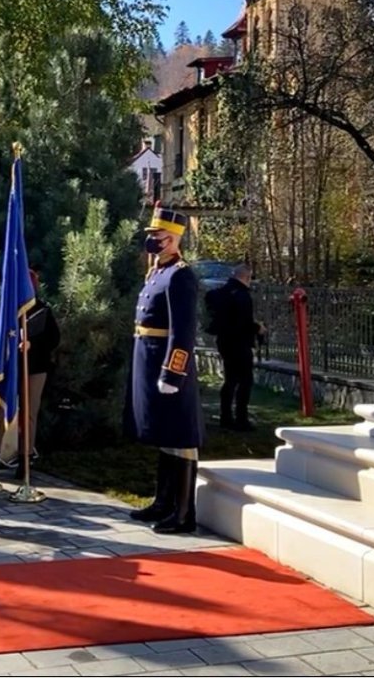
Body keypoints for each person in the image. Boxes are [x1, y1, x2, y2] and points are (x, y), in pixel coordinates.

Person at [124, 207, 202, 535]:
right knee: (164, 435)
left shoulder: (180, 274)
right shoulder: (157, 272)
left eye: (158, 236)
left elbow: (182, 330)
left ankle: (183, 513)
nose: (152, 240)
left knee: (181, 436)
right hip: (149, 358)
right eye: (151, 235)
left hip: (167, 365)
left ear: (174, 239)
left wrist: (173, 371)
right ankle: (163, 501)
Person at [0, 268, 60, 478]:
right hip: (7, 368)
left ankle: (25, 460)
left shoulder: (42, 309)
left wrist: (32, 344)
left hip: (35, 368)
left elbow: (54, 339)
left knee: (28, 414)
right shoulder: (4, 309)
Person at [207, 264, 262, 432]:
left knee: (230, 380)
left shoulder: (222, 292)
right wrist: (258, 328)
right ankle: (241, 418)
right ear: (246, 277)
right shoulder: (242, 295)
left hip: (224, 341)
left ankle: (226, 417)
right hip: (239, 342)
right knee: (245, 381)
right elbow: (243, 322)